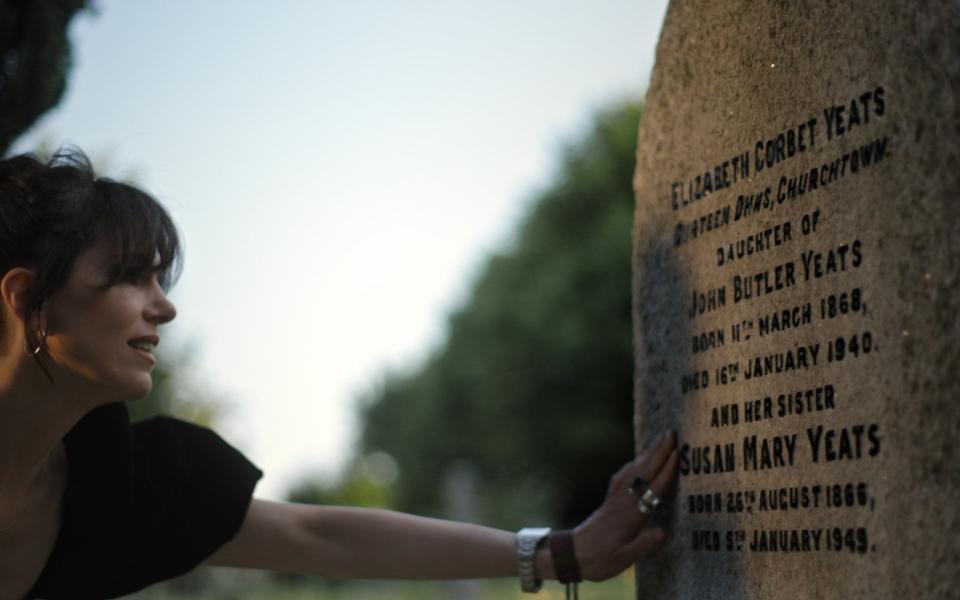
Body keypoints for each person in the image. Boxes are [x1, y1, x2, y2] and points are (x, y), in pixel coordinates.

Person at [0, 148, 679, 600]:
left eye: (161, 278)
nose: (165, 306)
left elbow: (318, 536)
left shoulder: (120, 483)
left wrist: (563, 552)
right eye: (129, 277)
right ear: (25, 297)